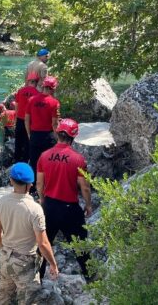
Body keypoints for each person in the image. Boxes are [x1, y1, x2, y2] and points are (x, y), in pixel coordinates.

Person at [35, 118, 93, 280]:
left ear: (57, 133)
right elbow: (85, 187)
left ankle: (36, 278)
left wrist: (42, 201)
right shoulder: (78, 159)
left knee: (43, 245)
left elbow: (39, 183)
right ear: (74, 137)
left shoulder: (44, 156)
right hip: (70, 208)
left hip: (50, 206)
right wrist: (88, 205)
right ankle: (91, 277)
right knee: (80, 244)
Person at [0, 163, 59, 305]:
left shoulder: (1, 202)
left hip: (5, 257)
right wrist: (53, 264)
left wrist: (3, 249)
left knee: (2, 299)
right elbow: (43, 243)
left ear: (11, 180)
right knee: (28, 301)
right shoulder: (35, 210)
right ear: (31, 184)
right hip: (25, 263)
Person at [25, 76, 60, 187]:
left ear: (43, 86)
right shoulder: (54, 103)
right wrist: (58, 138)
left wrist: (29, 134)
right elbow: (54, 123)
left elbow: (27, 119)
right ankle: (48, 185)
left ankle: (34, 185)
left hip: (35, 135)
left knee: (34, 161)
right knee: (49, 162)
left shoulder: (31, 100)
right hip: (48, 136)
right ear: (53, 88)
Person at [13, 72, 40, 162]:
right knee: (28, 141)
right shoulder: (37, 94)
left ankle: (16, 159)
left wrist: (17, 117)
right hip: (30, 122)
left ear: (28, 81)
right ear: (36, 82)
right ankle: (25, 160)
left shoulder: (20, 91)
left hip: (20, 120)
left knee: (18, 141)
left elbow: (16, 105)